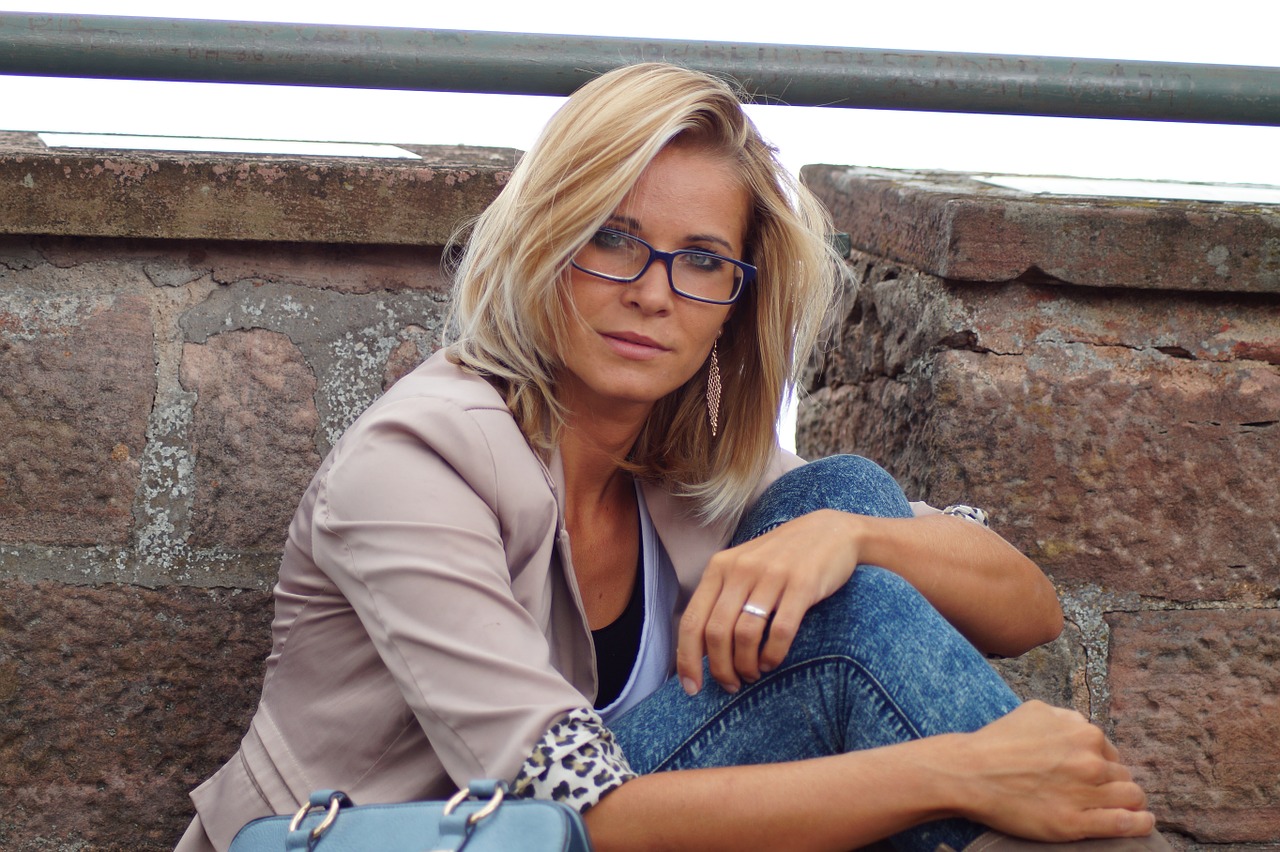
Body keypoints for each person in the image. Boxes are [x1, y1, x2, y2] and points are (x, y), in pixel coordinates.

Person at [177, 62, 1167, 852]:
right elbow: (577, 815)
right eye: (613, 239)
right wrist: (957, 774)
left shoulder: (685, 468)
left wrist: (848, 536)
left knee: (844, 502)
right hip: (433, 841)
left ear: (735, 301)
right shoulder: (416, 462)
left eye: (701, 259)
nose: (653, 292)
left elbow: (1026, 613)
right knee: (854, 633)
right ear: (541, 243)